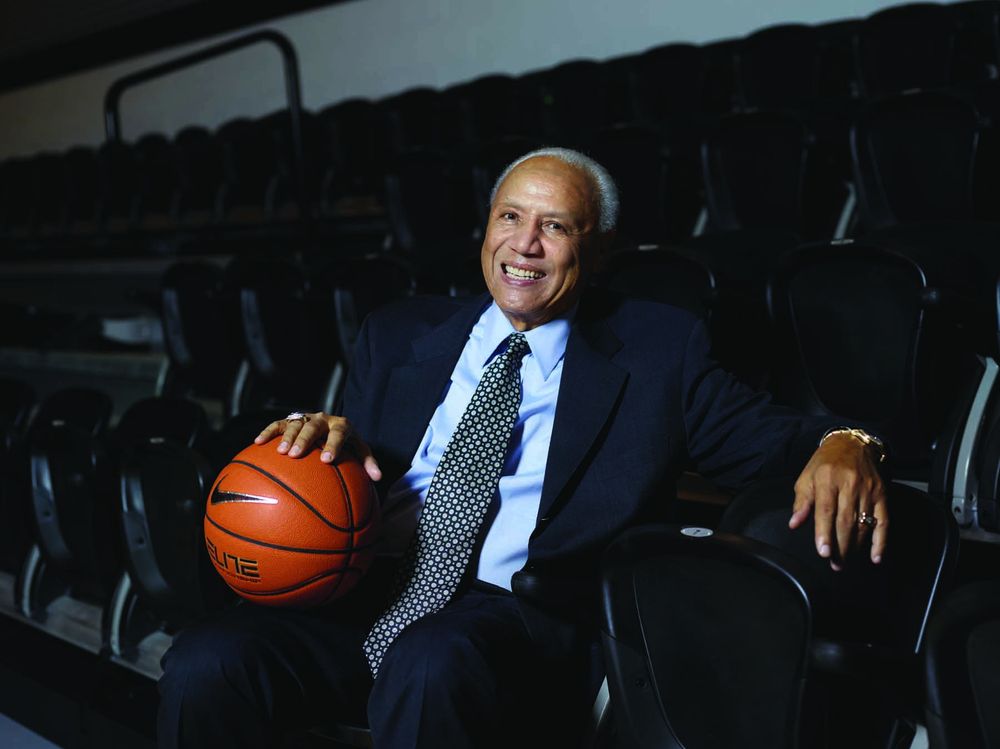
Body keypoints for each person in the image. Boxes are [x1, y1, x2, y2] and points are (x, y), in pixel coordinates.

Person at [157, 148, 887, 749]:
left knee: (429, 662)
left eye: (555, 226)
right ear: (486, 228)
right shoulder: (398, 333)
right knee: (206, 659)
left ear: (596, 251)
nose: (525, 244)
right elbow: (351, 468)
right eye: (510, 216)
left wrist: (847, 441)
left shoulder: (660, 354)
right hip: (364, 593)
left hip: (515, 620)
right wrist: (323, 442)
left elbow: (778, 439)